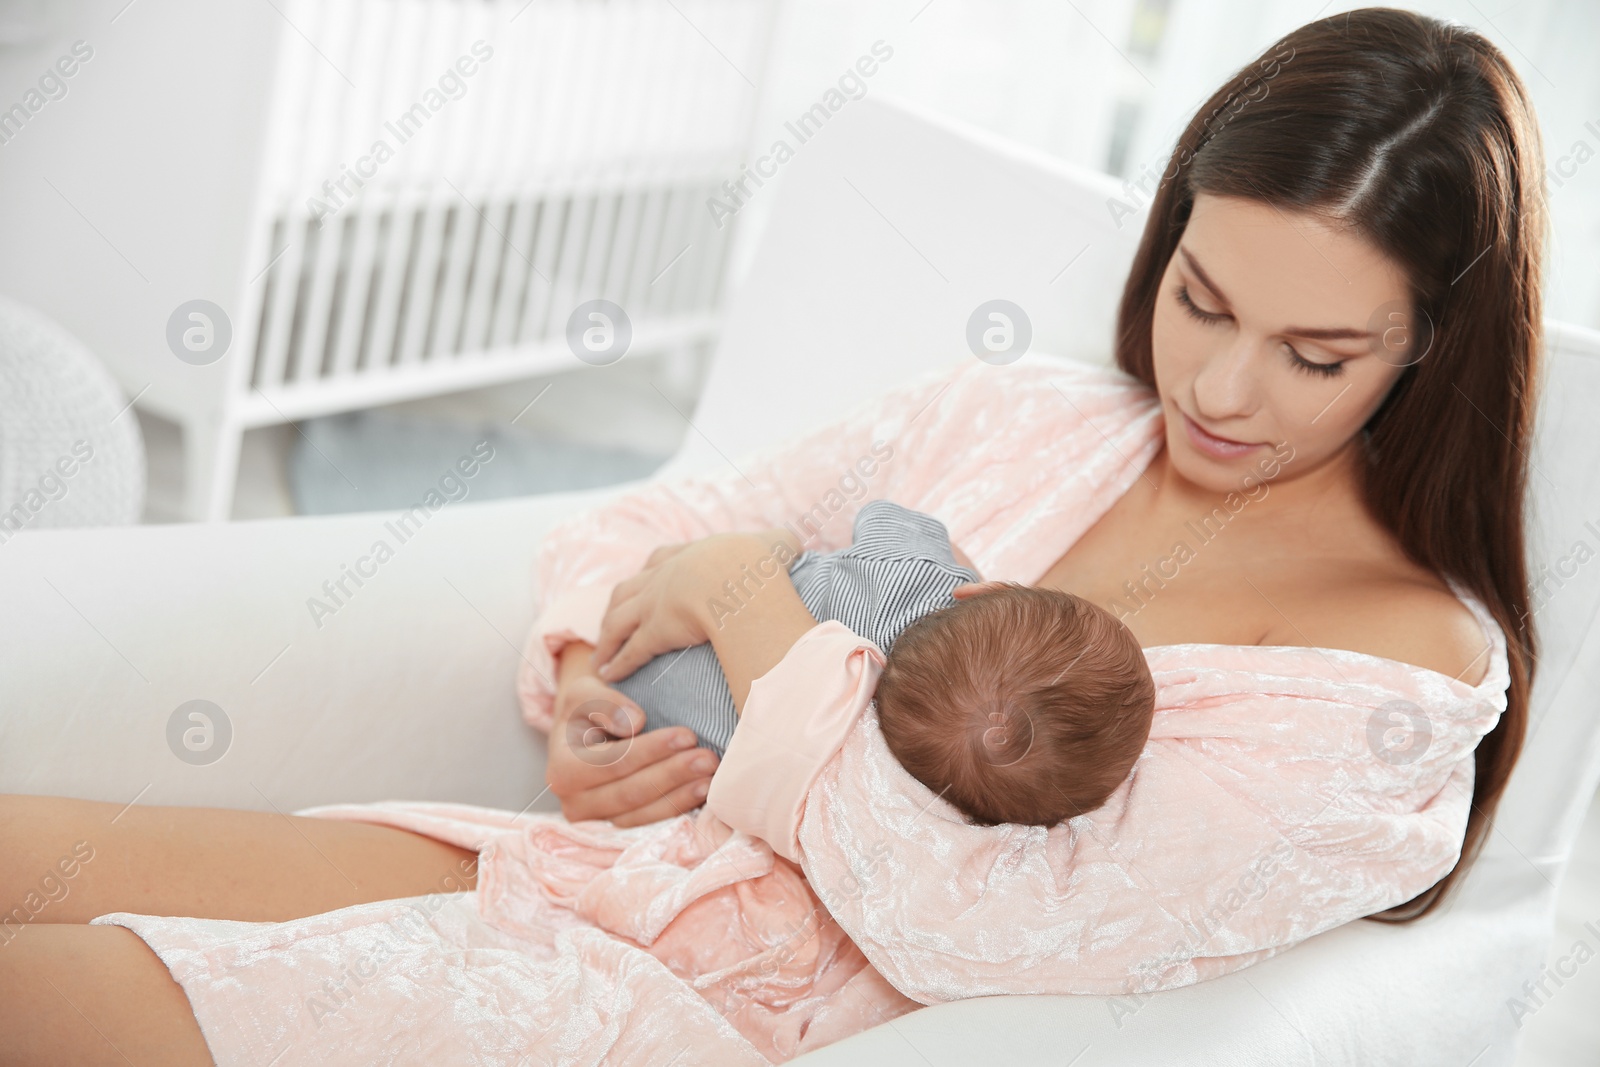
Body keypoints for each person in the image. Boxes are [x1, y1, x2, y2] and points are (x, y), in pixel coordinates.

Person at [0, 8, 1543, 1064]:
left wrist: (748, 612)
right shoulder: (1037, 419)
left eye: (1315, 354)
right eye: (1200, 296)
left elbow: (963, 923)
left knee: (42, 997)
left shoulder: (1382, 687)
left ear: (1431, 348)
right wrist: (597, 675)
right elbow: (670, 518)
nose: (1216, 383)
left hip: (680, 1004)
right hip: (584, 868)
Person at [606, 498, 1156, 827]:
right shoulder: (867, 760)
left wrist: (959, 571)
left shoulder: (919, 569)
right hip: (651, 729)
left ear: (978, 591)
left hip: (646, 618)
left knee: (781, 549)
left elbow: (885, 511)